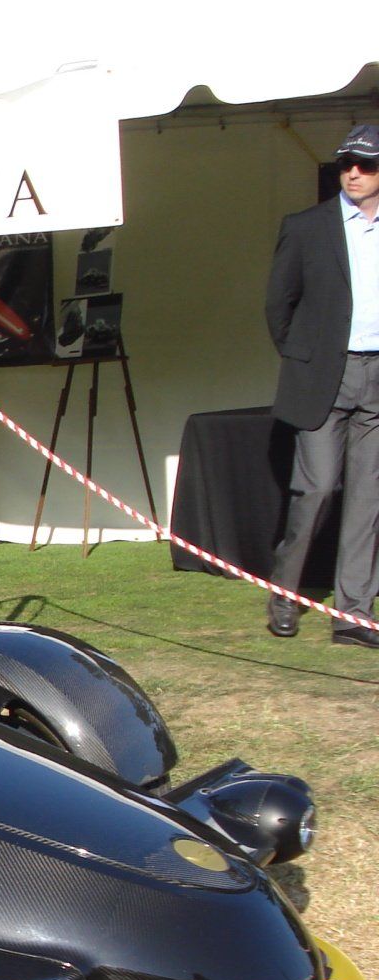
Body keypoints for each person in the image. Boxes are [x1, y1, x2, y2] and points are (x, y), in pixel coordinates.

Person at [264, 125, 379, 647]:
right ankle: (283, 598)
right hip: (322, 377)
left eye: (366, 164)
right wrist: (302, 356)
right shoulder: (308, 226)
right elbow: (278, 305)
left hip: (377, 375)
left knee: (368, 499)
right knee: (315, 490)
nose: (354, 173)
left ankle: (352, 614)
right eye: (346, 164)